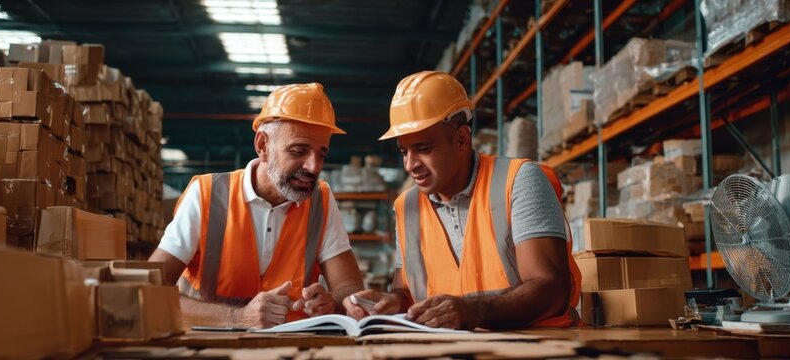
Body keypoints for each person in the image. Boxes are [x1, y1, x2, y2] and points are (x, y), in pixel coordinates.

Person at [343, 71, 581, 330]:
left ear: (461, 139)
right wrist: (391, 301)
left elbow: (551, 288)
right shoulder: (406, 206)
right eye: (404, 151)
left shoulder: (518, 181)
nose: (411, 165)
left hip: (537, 346)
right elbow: (406, 291)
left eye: (423, 149)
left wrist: (474, 310)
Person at [150, 83, 363, 329]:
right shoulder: (207, 195)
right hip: (210, 346)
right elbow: (150, 288)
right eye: (299, 151)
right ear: (262, 145)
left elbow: (349, 290)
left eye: (321, 154)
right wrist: (238, 318)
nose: (314, 167)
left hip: (293, 349)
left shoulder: (321, 200)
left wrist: (332, 302)